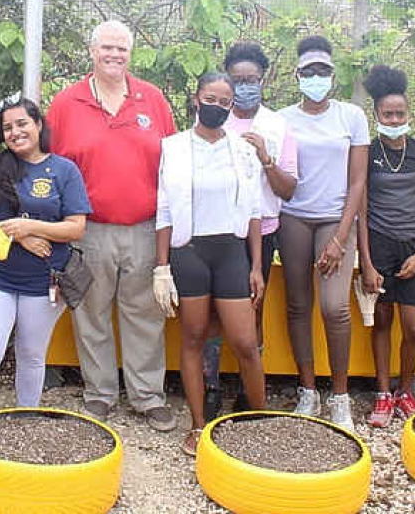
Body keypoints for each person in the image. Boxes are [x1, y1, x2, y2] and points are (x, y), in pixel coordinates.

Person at [47, 19, 178, 431]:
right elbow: (48, 167)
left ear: (131, 53)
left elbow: (172, 164)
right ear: (91, 51)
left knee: (145, 315)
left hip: (144, 227)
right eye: (107, 47)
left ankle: (147, 396)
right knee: (90, 314)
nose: (114, 55)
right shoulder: (66, 104)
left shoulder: (152, 100)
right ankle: (99, 394)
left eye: (122, 48)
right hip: (87, 229)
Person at [155, 72, 267, 456]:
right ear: (196, 99)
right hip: (189, 254)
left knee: (245, 342)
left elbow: (254, 210)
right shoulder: (172, 147)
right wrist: (161, 267)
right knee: (193, 338)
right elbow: (164, 210)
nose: (216, 107)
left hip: (231, 252)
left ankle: (260, 421)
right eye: (210, 98)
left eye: (225, 102)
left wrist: (256, 266)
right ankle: (198, 426)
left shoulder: (242, 150)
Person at [0, 94, 91, 419]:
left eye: (22, 123)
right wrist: (23, 238)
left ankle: (26, 420)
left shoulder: (64, 170)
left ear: (38, 125)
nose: (15, 132)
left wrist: (30, 226)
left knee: (32, 354)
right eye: (7, 128)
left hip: (45, 280)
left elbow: (76, 228)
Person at [277, 35, 369, 430]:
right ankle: (308, 390)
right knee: (298, 304)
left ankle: (341, 396)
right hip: (293, 216)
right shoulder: (281, 119)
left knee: (334, 306)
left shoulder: (351, 116)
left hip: (336, 217)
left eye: (323, 71)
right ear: (297, 75)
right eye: (308, 72)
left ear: (333, 74)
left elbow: (359, 181)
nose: (316, 78)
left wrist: (340, 237)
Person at [202, 42, 298, 420]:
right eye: (237, 80)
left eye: (251, 80)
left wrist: (265, 158)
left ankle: (248, 391)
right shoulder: (214, 120)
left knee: (252, 310)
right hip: (216, 230)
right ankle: (210, 386)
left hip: (263, 232)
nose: (244, 87)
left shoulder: (277, 126)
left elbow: (288, 189)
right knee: (211, 312)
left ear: (263, 80)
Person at [357, 65, 415, 427]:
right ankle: (382, 393)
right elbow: (359, 206)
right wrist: (367, 261)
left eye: (400, 113)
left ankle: (406, 390)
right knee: (382, 322)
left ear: (409, 114)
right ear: (376, 115)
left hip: (412, 247)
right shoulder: (367, 152)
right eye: (388, 114)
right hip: (378, 246)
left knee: (413, 328)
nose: (394, 119)